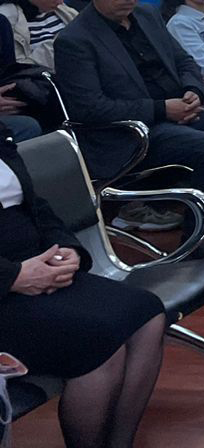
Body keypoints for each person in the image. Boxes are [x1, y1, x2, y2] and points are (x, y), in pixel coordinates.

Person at [0, 127, 167, 448]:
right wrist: (14, 276)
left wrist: (68, 249)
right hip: (7, 286)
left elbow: (36, 207)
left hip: (38, 266)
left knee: (147, 313)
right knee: (97, 342)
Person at [52, 0, 204, 200]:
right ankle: (189, 220)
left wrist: (193, 90)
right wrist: (162, 110)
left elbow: (184, 61)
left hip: (180, 111)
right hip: (131, 133)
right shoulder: (75, 40)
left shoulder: (147, 15)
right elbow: (90, 108)